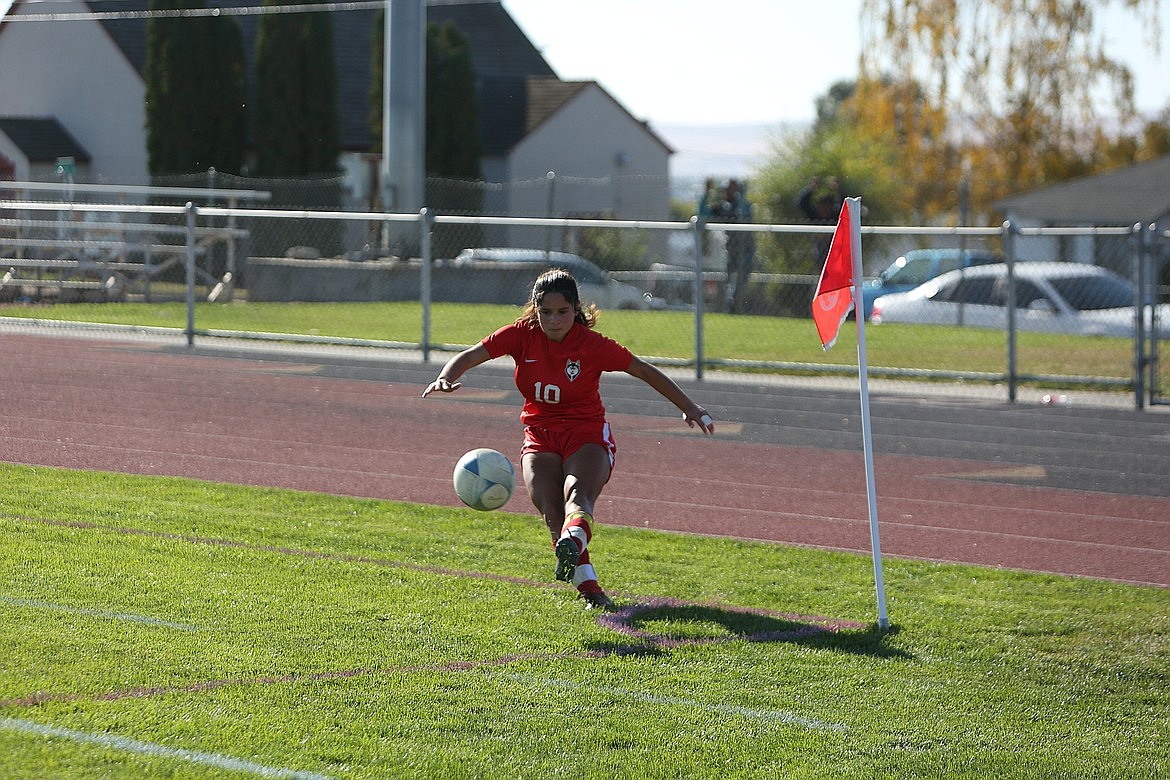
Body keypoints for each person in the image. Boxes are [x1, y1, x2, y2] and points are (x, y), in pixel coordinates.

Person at [422, 268, 716, 610]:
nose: (554, 320)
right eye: (546, 312)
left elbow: (644, 370)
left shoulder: (592, 345)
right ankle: (590, 588)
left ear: (576, 308)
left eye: (562, 312)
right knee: (551, 509)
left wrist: (689, 407)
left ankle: (574, 544)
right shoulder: (520, 335)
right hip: (540, 436)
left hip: (586, 435)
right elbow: (471, 355)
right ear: (535, 308)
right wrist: (445, 377)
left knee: (577, 495)